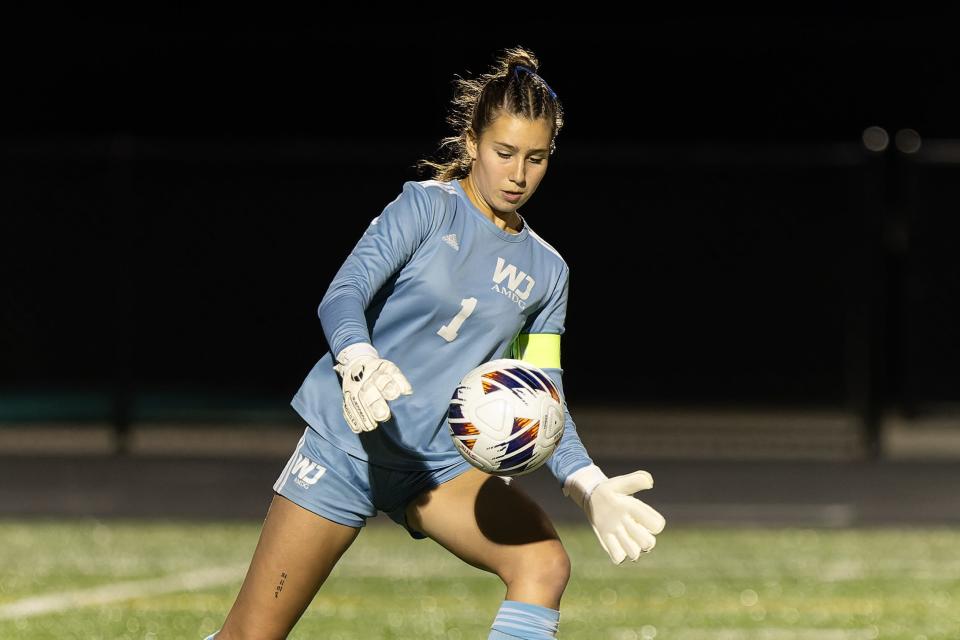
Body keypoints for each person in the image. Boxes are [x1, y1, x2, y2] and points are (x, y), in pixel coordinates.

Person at [206, 45, 665, 640]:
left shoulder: (549, 272)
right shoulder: (424, 208)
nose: (518, 174)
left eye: (536, 158)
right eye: (504, 153)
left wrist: (588, 485)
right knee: (251, 636)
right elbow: (341, 296)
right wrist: (358, 359)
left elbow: (545, 395)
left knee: (544, 564)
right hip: (349, 447)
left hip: (438, 466)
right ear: (473, 142)